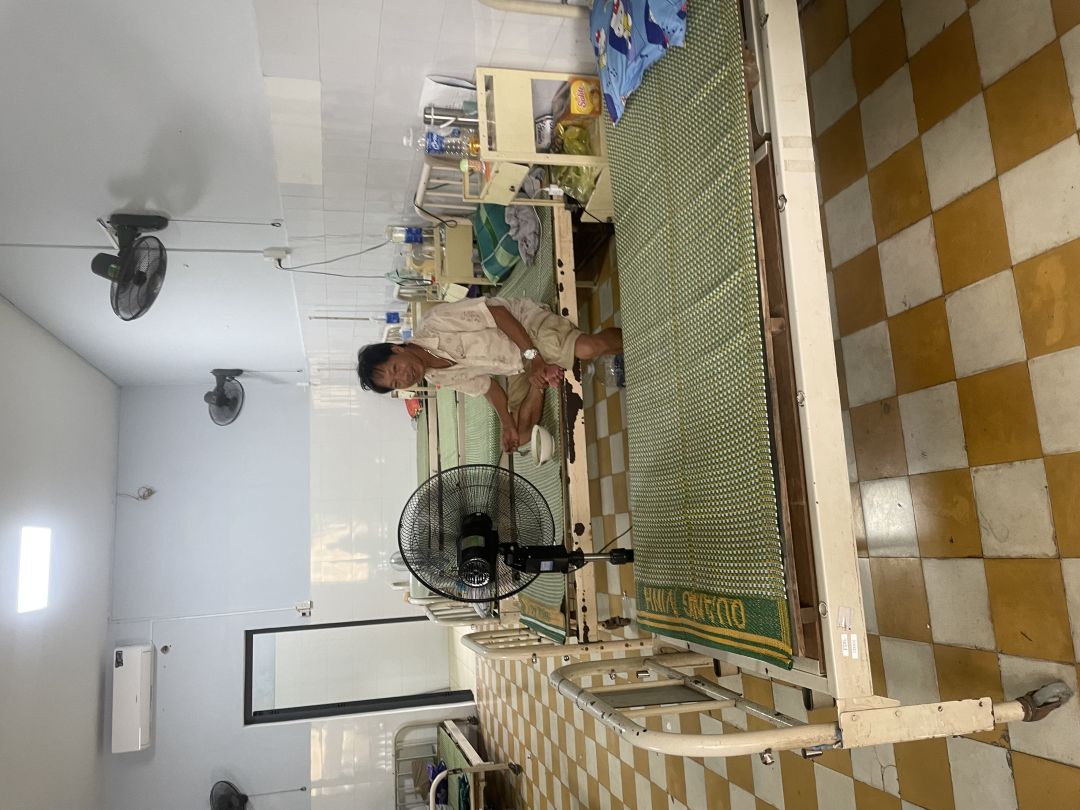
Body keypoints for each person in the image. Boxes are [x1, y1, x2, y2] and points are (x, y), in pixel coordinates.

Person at [357, 297, 622, 452]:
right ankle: (540, 380)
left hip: (524, 326)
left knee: (587, 349)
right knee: (520, 435)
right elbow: (487, 387)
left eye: (396, 369)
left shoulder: (435, 323)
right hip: (516, 364)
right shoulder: (436, 377)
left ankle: (633, 338)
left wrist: (535, 358)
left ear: (396, 349)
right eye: (396, 383)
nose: (404, 378)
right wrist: (506, 425)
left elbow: (498, 314)